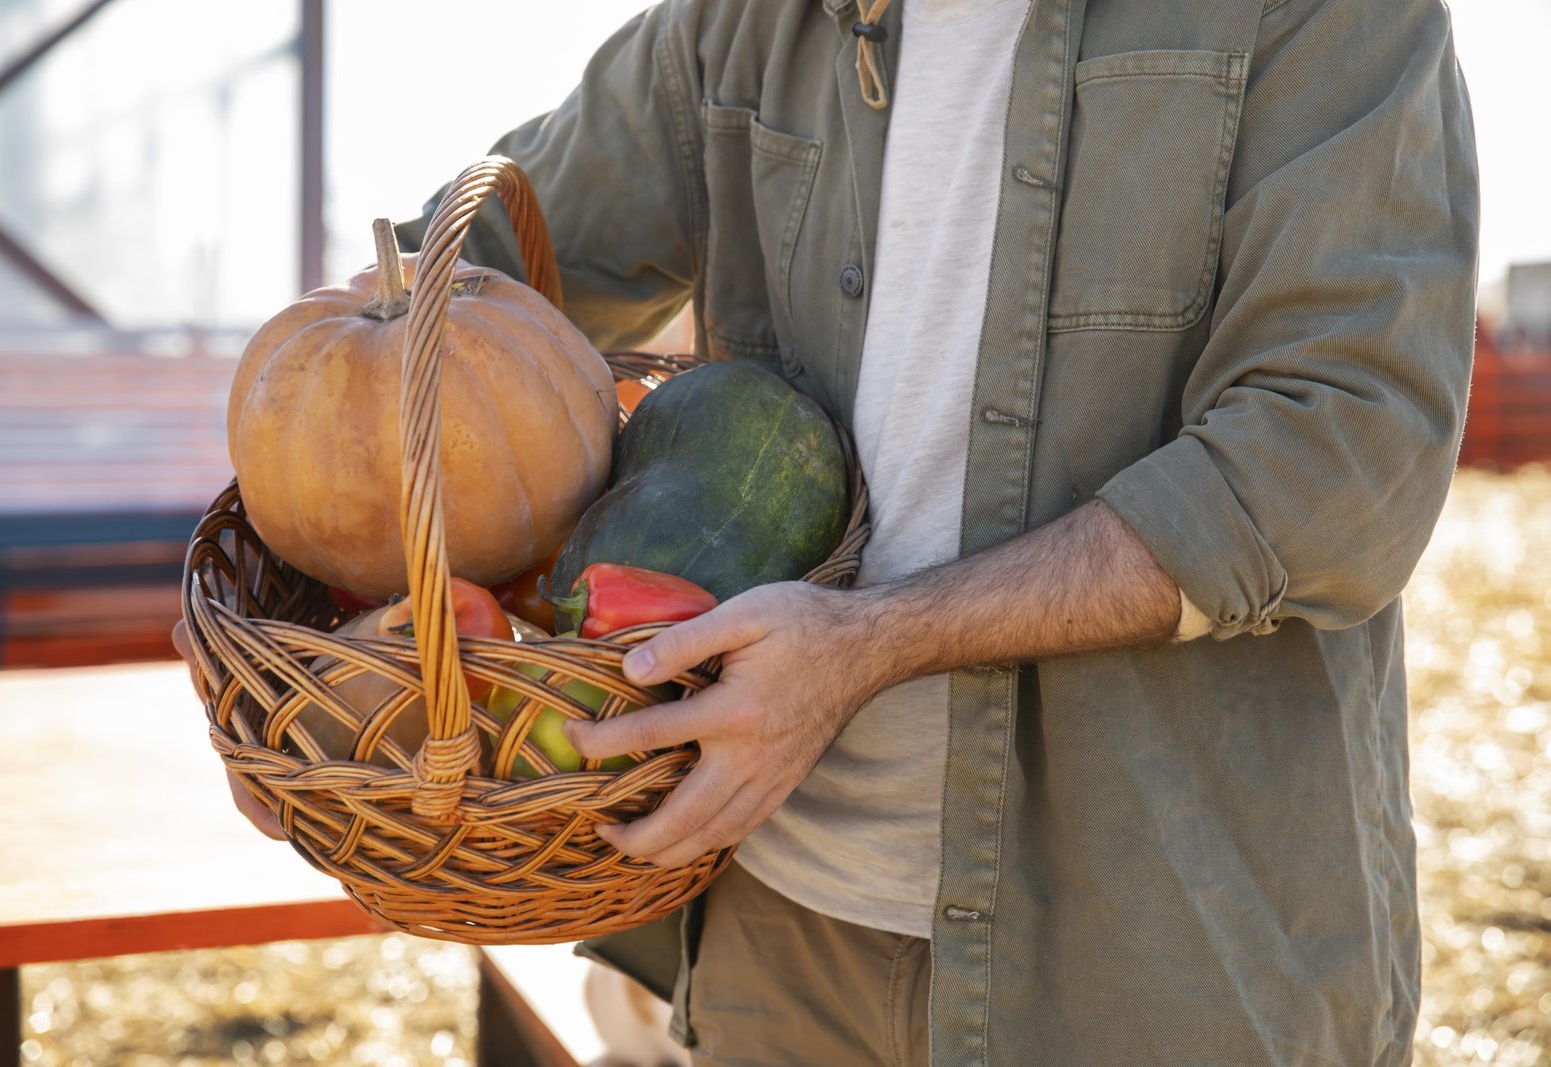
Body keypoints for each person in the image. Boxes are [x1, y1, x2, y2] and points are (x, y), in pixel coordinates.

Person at [196, 0, 1480, 1062]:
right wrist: (309, 632)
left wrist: (873, 642)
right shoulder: (745, 21)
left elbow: (1339, 452)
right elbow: (450, 296)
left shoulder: (1320, 17)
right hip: (777, 929)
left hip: (1168, 950)